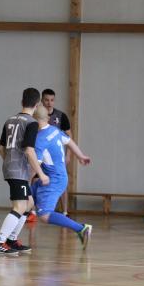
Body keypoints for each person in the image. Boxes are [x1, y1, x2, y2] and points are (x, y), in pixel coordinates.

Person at [0, 88, 49, 256]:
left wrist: (9, 161)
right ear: (37, 105)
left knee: (29, 203)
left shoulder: (9, 120)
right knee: (20, 206)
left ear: (22, 101)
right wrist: (41, 173)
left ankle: (11, 240)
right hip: (19, 170)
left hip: (11, 167)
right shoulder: (31, 123)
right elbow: (29, 151)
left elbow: (1, 148)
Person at [31, 105, 93, 248]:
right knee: (25, 200)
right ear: (47, 118)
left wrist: (24, 180)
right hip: (60, 177)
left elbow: (35, 167)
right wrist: (80, 156)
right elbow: (69, 141)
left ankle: (81, 228)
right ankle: (11, 238)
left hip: (53, 180)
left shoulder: (39, 140)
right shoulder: (54, 130)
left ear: (34, 120)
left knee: (44, 215)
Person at [41, 89, 72, 215]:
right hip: (41, 154)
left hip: (56, 157)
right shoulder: (37, 116)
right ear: (42, 100)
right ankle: (33, 212)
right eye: (46, 100)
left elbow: (69, 136)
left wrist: (68, 155)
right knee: (35, 180)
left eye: (52, 100)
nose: (49, 103)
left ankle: (65, 211)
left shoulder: (61, 116)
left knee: (61, 182)